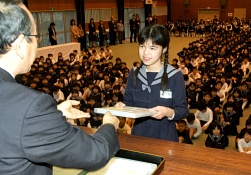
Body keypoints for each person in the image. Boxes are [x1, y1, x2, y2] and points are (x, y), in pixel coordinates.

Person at [0, 1, 119, 174]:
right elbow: (95, 153)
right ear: (20, 45)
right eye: (36, 37)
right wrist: (109, 125)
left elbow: (10, 122)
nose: (37, 44)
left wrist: (54, 114)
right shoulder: (30, 106)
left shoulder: (23, 106)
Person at [123, 24, 188, 141]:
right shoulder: (134, 73)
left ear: (164, 49)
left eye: (152, 48)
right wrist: (122, 107)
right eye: (142, 46)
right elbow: (128, 102)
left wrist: (168, 112)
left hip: (165, 135)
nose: (145, 53)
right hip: (139, 134)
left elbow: (183, 110)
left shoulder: (174, 76)